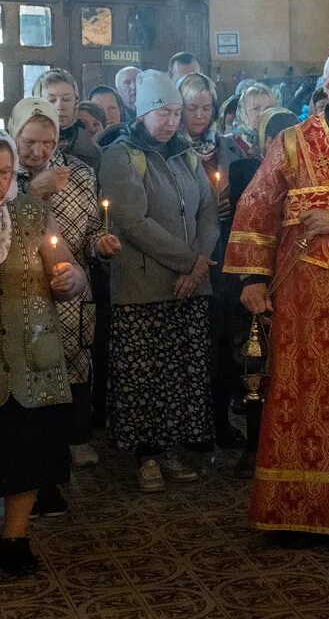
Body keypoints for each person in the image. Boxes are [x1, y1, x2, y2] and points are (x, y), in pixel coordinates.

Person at [225, 47, 329, 535]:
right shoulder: (291, 142)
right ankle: (290, 510)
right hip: (302, 291)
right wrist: (252, 278)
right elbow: (257, 206)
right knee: (293, 391)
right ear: (327, 88)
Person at [99, 71, 219, 493]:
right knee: (144, 376)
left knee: (181, 375)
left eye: (175, 112)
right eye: (161, 112)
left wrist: (198, 267)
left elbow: (208, 211)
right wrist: (190, 261)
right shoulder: (121, 155)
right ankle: (146, 457)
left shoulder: (185, 155)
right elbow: (133, 222)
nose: (170, 121)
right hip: (144, 288)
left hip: (191, 284)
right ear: (143, 111)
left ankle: (169, 452)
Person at [11, 98, 120, 505]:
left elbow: (90, 229)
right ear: (15, 134)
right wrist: (30, 192)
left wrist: (99, 246)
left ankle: (51, 473)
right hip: (19, 298)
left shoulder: (79, 175)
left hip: (69, 290)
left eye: (47, 142)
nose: (38, 151)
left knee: (64, 383)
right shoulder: (6, 177)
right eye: (29, 141)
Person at [0, 129, 89, 576]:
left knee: (27, 451)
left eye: (2, 172)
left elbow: (72, 270)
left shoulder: (31, 213)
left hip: (31, 354)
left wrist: (70, 278)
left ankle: (15, 538)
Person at [225, 107, 299, 480]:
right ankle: (255, 448)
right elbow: (252, 219)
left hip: (305, 281)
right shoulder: (248, 172)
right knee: (257, 367)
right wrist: (251, 278)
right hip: (268, 282)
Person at [179, 73, 248, 450]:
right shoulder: (172, 151)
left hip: (227, 259)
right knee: (196, 348)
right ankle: (195, 426)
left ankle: (221, 421)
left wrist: (229, 206)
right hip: (191, 254)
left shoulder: (230, 148)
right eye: (192, 108)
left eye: (207, 108)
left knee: (223, 346)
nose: (201, 116)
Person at [32, 69, 102, 172]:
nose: (60, 106)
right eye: (52, 100)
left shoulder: (93, 151)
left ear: (76, 102)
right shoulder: (21, 147)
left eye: (66, 99)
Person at [229, 84, 277, 158]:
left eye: (268, 109)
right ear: (243, 112)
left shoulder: (278, 141)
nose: (263, 114)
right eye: (256, 108)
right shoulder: (228, 144)